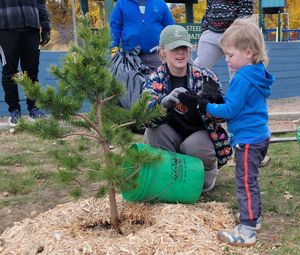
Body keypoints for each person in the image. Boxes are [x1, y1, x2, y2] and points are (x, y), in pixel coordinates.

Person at [184, 18, 275, 246]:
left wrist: (206, 106)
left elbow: (230, 111)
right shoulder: (256, 73)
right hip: (260, 136)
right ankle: (254, 218)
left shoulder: (243, 77)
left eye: (230, 55)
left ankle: (246, 230)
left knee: (245, 183)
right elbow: (240, 104)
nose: (226, 59)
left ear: (248, 52)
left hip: (248, 140)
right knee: (251, 181)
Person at [142, 25, 232, 193]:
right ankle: (167, 176)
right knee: (152, 132)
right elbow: (144, 115)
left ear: (190, 50)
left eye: (183, 47)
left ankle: (204, 175)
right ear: (163, 52)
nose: (180, 53)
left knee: (196, 148)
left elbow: (223, 116)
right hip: (169, 137)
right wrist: (163, 102)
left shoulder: (206, 77)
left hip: (197, 136)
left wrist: (212, 101)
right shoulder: (154, 78)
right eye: (174, 48)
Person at [0, 0, 51, 127]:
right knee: (9, 72)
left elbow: (41, 3)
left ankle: (34, 108)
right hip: (5, 29)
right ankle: (14, 110)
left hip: (32, 29)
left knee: (32, 72)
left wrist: (46, 27)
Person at [193, 0, 253, 76]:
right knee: (198, 67)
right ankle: (190, 86)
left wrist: (238, 31)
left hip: (233, 32)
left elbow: (246, 12)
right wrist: (205, 28)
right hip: (212, 31)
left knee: (237, 70)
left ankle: (237, 87)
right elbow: (209, 8)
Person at [109, 0, 174, 70]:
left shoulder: (160, 3)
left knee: (159, 80)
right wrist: (114, 47)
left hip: (157, 57)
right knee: (130, 80)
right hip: (130, 57)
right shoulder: (121, 3)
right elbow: (115, 26)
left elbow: (170, 27)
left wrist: (170, 48)